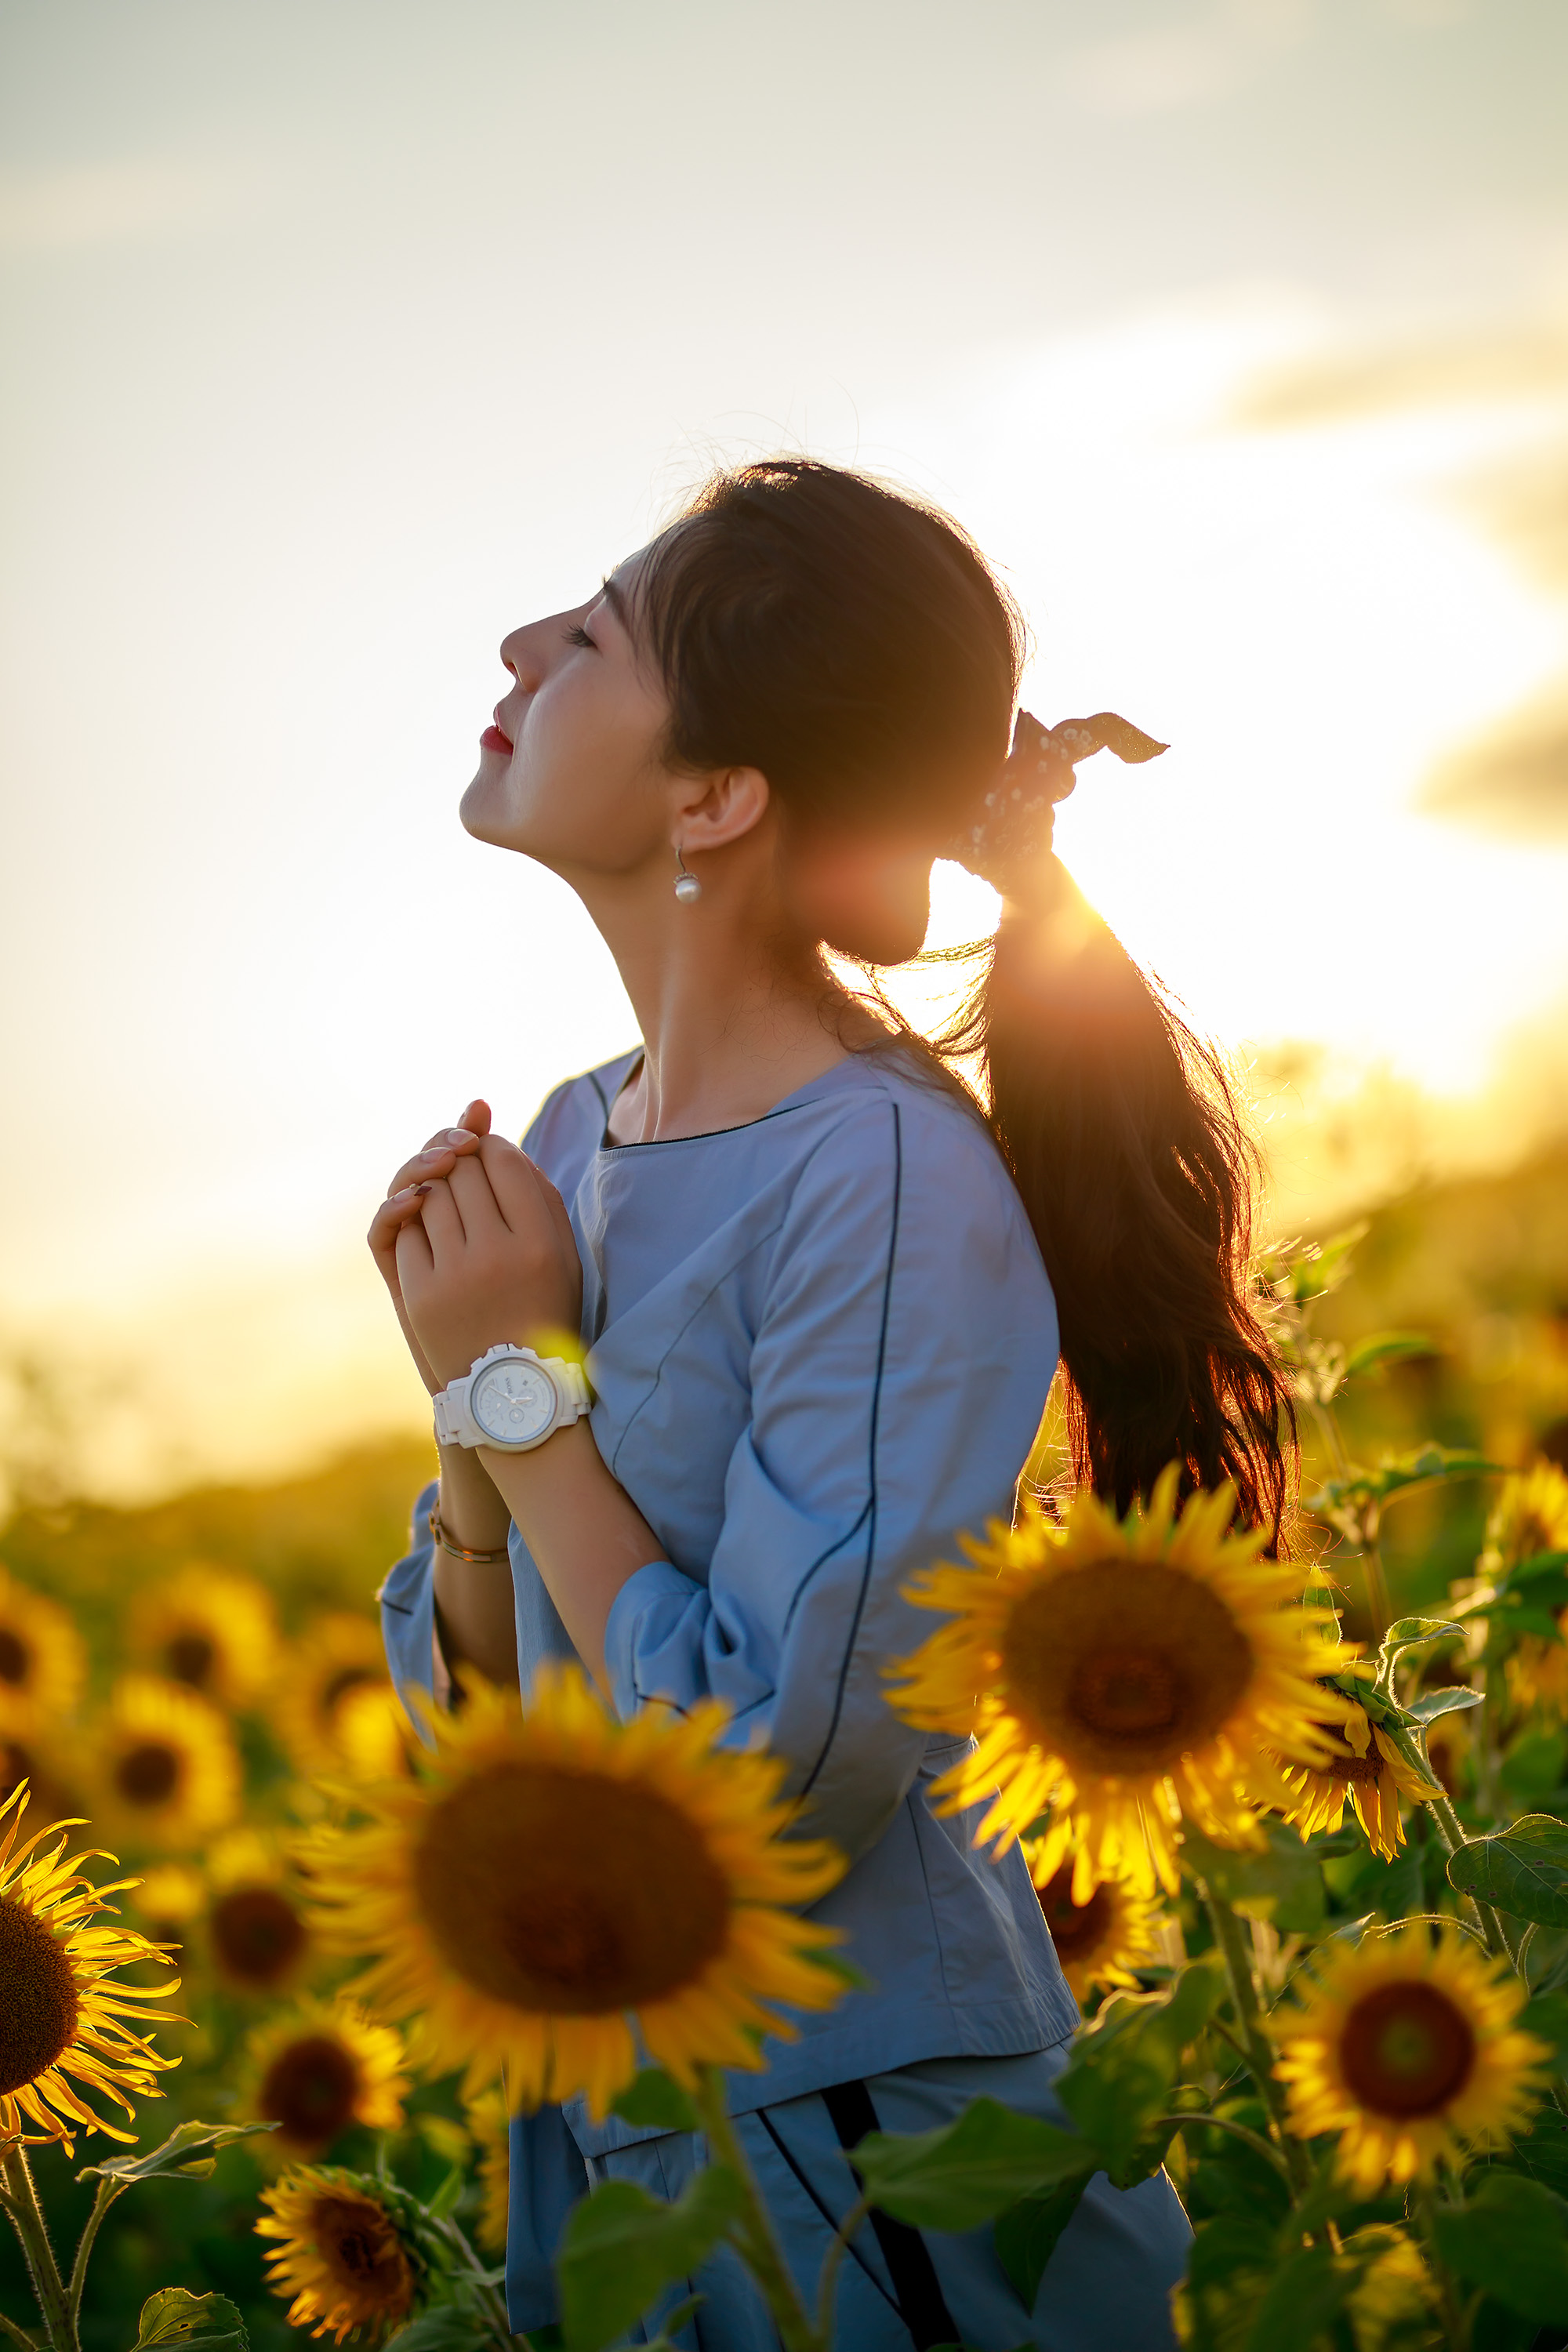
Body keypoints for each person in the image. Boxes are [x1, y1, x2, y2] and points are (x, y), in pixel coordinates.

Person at [370, 459, 1294, 2350]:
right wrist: (484, 1407)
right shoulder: (569, 1132)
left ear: (715, 795)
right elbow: (482, 1717)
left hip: (881, 2175)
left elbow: (772, 1777)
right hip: (629, 2141)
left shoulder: (875, 1181)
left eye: (597, 631)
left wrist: (514, 1394)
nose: (520, 644)